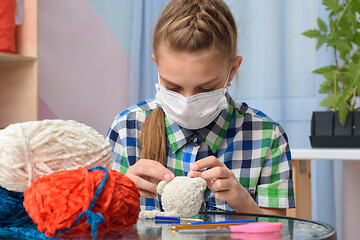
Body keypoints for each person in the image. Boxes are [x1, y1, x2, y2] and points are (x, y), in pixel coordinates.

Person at [107, 0, 295, 216]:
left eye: (206, 88)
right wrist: (118, 193)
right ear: (156, 65)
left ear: (232, 70)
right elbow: (97, 227)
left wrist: (244, 203)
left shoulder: (266, 137)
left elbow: (278, 232)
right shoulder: (126, 129)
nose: (187, 101)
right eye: (172, 87)